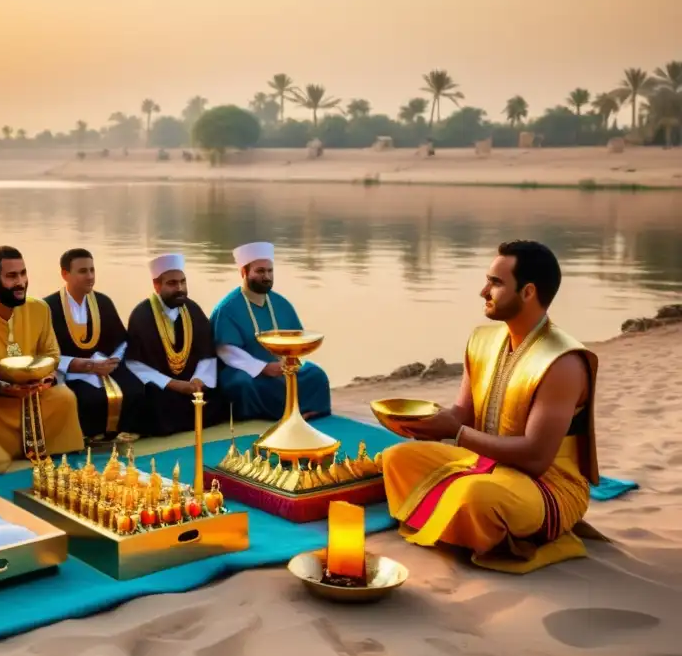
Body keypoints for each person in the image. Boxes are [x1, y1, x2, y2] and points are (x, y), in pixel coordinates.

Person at [381, 240, 599, 573]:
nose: (484, 291)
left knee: (475, 496)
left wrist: (455, 433)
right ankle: (462, 525)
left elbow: (537, 457)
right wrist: (418, 425)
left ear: (527, 292)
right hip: (487, 464)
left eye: (495, 283)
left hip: (548, 484)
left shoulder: (563, 363)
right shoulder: (482, 340)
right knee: (398, 459)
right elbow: (461, 415)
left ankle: (474, 526)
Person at [0, 246, 84, 471]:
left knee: (64, 397)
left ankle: (55, 454)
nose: (21, 282)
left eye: (23, 273)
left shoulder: (40, 309)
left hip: (31, 385)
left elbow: (51, 354)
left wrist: (47, 378)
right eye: (11, 276)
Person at [210, 241, 331, 421]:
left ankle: (303, 412)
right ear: (244, 272)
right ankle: (263, 418)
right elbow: (226, 351)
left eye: (269, 271)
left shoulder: (281, 303)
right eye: (260, 271)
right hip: (245, 371)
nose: (266, 276)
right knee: (242, 385)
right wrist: (263, 368)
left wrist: (290, 362)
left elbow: (296, 338)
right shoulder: (227, 308)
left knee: (316, 375)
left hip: (281, 367)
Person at [43, 248, 144, 440]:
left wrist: (111, 361)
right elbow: (42, 350)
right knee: (87, 398)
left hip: (104, 366)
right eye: (83, 271)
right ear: (65, 274)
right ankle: (89, 435)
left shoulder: (103, 302)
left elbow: (121, 341)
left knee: (135, 388)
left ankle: (122, 432)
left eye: (92, 270)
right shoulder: (48, 307)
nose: (90, 277)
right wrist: (78, 364)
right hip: (70, 370)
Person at [125, 253, 227, 436]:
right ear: (157, 285)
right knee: (152, 400)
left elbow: (207, 353)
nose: (180, 288)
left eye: (183, 282)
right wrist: (173, 384)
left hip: (193, 385)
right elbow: (135, 364)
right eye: (172, 283)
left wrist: (198, 380)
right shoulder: (141, 316)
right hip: (163, 387)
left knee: (223, 392)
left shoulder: (193, 310)